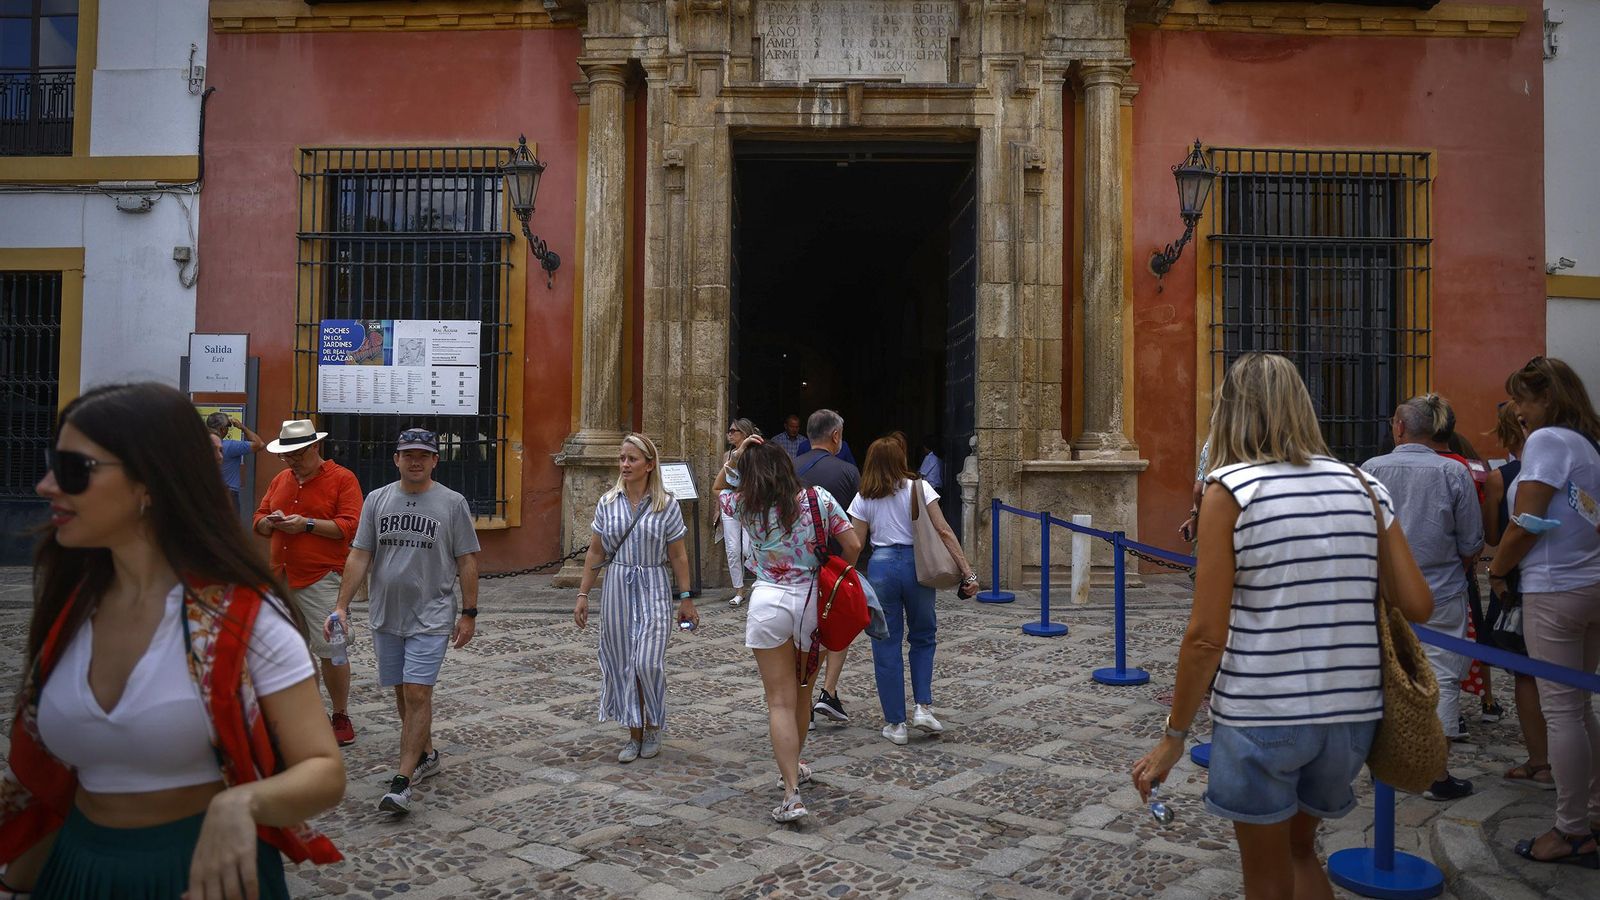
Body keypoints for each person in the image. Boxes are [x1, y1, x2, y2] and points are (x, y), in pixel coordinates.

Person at [0, 383, 343, 897]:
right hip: (76, 870)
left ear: (148, 485)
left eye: (74, 469)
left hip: (199, 873)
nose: (47, 485)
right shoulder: (67, 609)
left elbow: (323, 770)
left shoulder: (245, 618)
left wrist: (243, 803)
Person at [1132, 353, 1434, 899]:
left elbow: (1205, 635)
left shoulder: (1230, 490)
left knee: (1266, 876)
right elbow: (1417, 603)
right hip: (1349, 715)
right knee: (1301, 853)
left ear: (1230, 412)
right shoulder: (1363, 485)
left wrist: (1173, 738)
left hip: (1263, 713)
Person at [330, 428, 480, 816]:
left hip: (431, 615)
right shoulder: (377, 500)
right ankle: (426, 754)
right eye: (408, 454)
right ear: (396, 459)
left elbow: (467, 560)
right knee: (402, 692)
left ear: (435, 460)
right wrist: (342, 606)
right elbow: (360, 555)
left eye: (423, 455)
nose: (415, 461)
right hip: (386, 615)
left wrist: (469, 612)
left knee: (417, 693)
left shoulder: (452, 503)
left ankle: (402, 781)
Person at [1487, 356, 1600, 866]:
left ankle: (1571, 829)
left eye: (1521, 399)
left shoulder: (1549, 441)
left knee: (1562, 712)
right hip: (1588, 582)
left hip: (1555, 587)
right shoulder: (1588, 445)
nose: (1516, 410)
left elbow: (1527, 518)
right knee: (1577, 708)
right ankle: (1592, 808)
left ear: (1546, 399)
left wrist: (1498, 569)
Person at [714, 436, 862, 823]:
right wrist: (830, 568)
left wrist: (740, 452)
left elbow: (719, 487)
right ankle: (794, 768)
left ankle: (792, 792)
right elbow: (854, 544)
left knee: (777, 701)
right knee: (801, 695)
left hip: (767, 602)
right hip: (809, 602)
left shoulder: (747, 504)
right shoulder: (818, 499)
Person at [1362, 395, 1484, 800]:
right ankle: (1436, 774)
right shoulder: (1454, 472)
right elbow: (1471, 540)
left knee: (1383, 674)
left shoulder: (1371, 470)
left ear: (1398, 426)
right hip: (1441, 590)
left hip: (1382, 590)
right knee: (1443, 676)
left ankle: (1381, 765)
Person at [573, 434, 698, 764]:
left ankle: (654, 723)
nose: (625, 464)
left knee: (647, 661)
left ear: (649, 464)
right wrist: (583, 593)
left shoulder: (666, 504)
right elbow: (596, 551)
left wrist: (685, 598)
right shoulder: (607, 502)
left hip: (654, 583)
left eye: (632, 459)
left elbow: (679, 555)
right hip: (617, 586)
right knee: (624, 662)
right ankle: (634, 731)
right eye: (622, 458)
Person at [848, 436, 979, 745]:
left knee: (886, 644)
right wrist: (967, 572)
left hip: (881, 567)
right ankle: (922, 707)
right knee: (923, 637)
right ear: (900, 459)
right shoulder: (919, 488)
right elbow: (943, 530)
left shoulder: (864, 496)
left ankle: (896, 724)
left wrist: (845, 577)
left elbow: (855, 544)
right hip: (917, 566)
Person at [253, 420, 365, 747]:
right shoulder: (280, 479)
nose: (292, 462)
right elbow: (258, 520)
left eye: (297, 454)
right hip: (281, 576)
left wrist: (307, 525)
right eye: (286, 456)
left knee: (332, 648)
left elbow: (349, 527)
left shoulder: (343, 479)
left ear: (315, 447)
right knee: (292, 650)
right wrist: (270, 524)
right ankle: (308, 715)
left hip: (322, 577)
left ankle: (340, 714)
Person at [1482, 401, 1551, 788]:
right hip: (1565, 578)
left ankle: (1540, 761)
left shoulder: (1502, 478)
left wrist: (1496, 570)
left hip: (1515, 580)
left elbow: (1493, 535)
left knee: (1525, 675)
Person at [792, 409, 861, 726]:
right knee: (836, 629)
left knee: (799, 635)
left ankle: (800, 694)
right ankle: (827, 691)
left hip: (793, 569)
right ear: (836, 436)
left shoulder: (788, 469)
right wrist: (849, 571)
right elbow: (856, 528)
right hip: (834, 566)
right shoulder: (848, 472)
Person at [717, 419, 760, 608]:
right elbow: (720, 483)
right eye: (729, 431)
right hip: (730, 503)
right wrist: (716, 510)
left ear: (744, 433)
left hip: (750, 503)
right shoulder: (728, 455)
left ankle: (759, 582)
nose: (730, 434)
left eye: (734, 431)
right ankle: (739, 590)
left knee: (747, 548)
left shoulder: (755, 454)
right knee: (732, 550)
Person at [205, 412, 265, 514]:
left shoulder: (200, 444)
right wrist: (242, 427)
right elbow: (260, 444)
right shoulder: (230, 446)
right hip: (228, 495)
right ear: (223, 429)